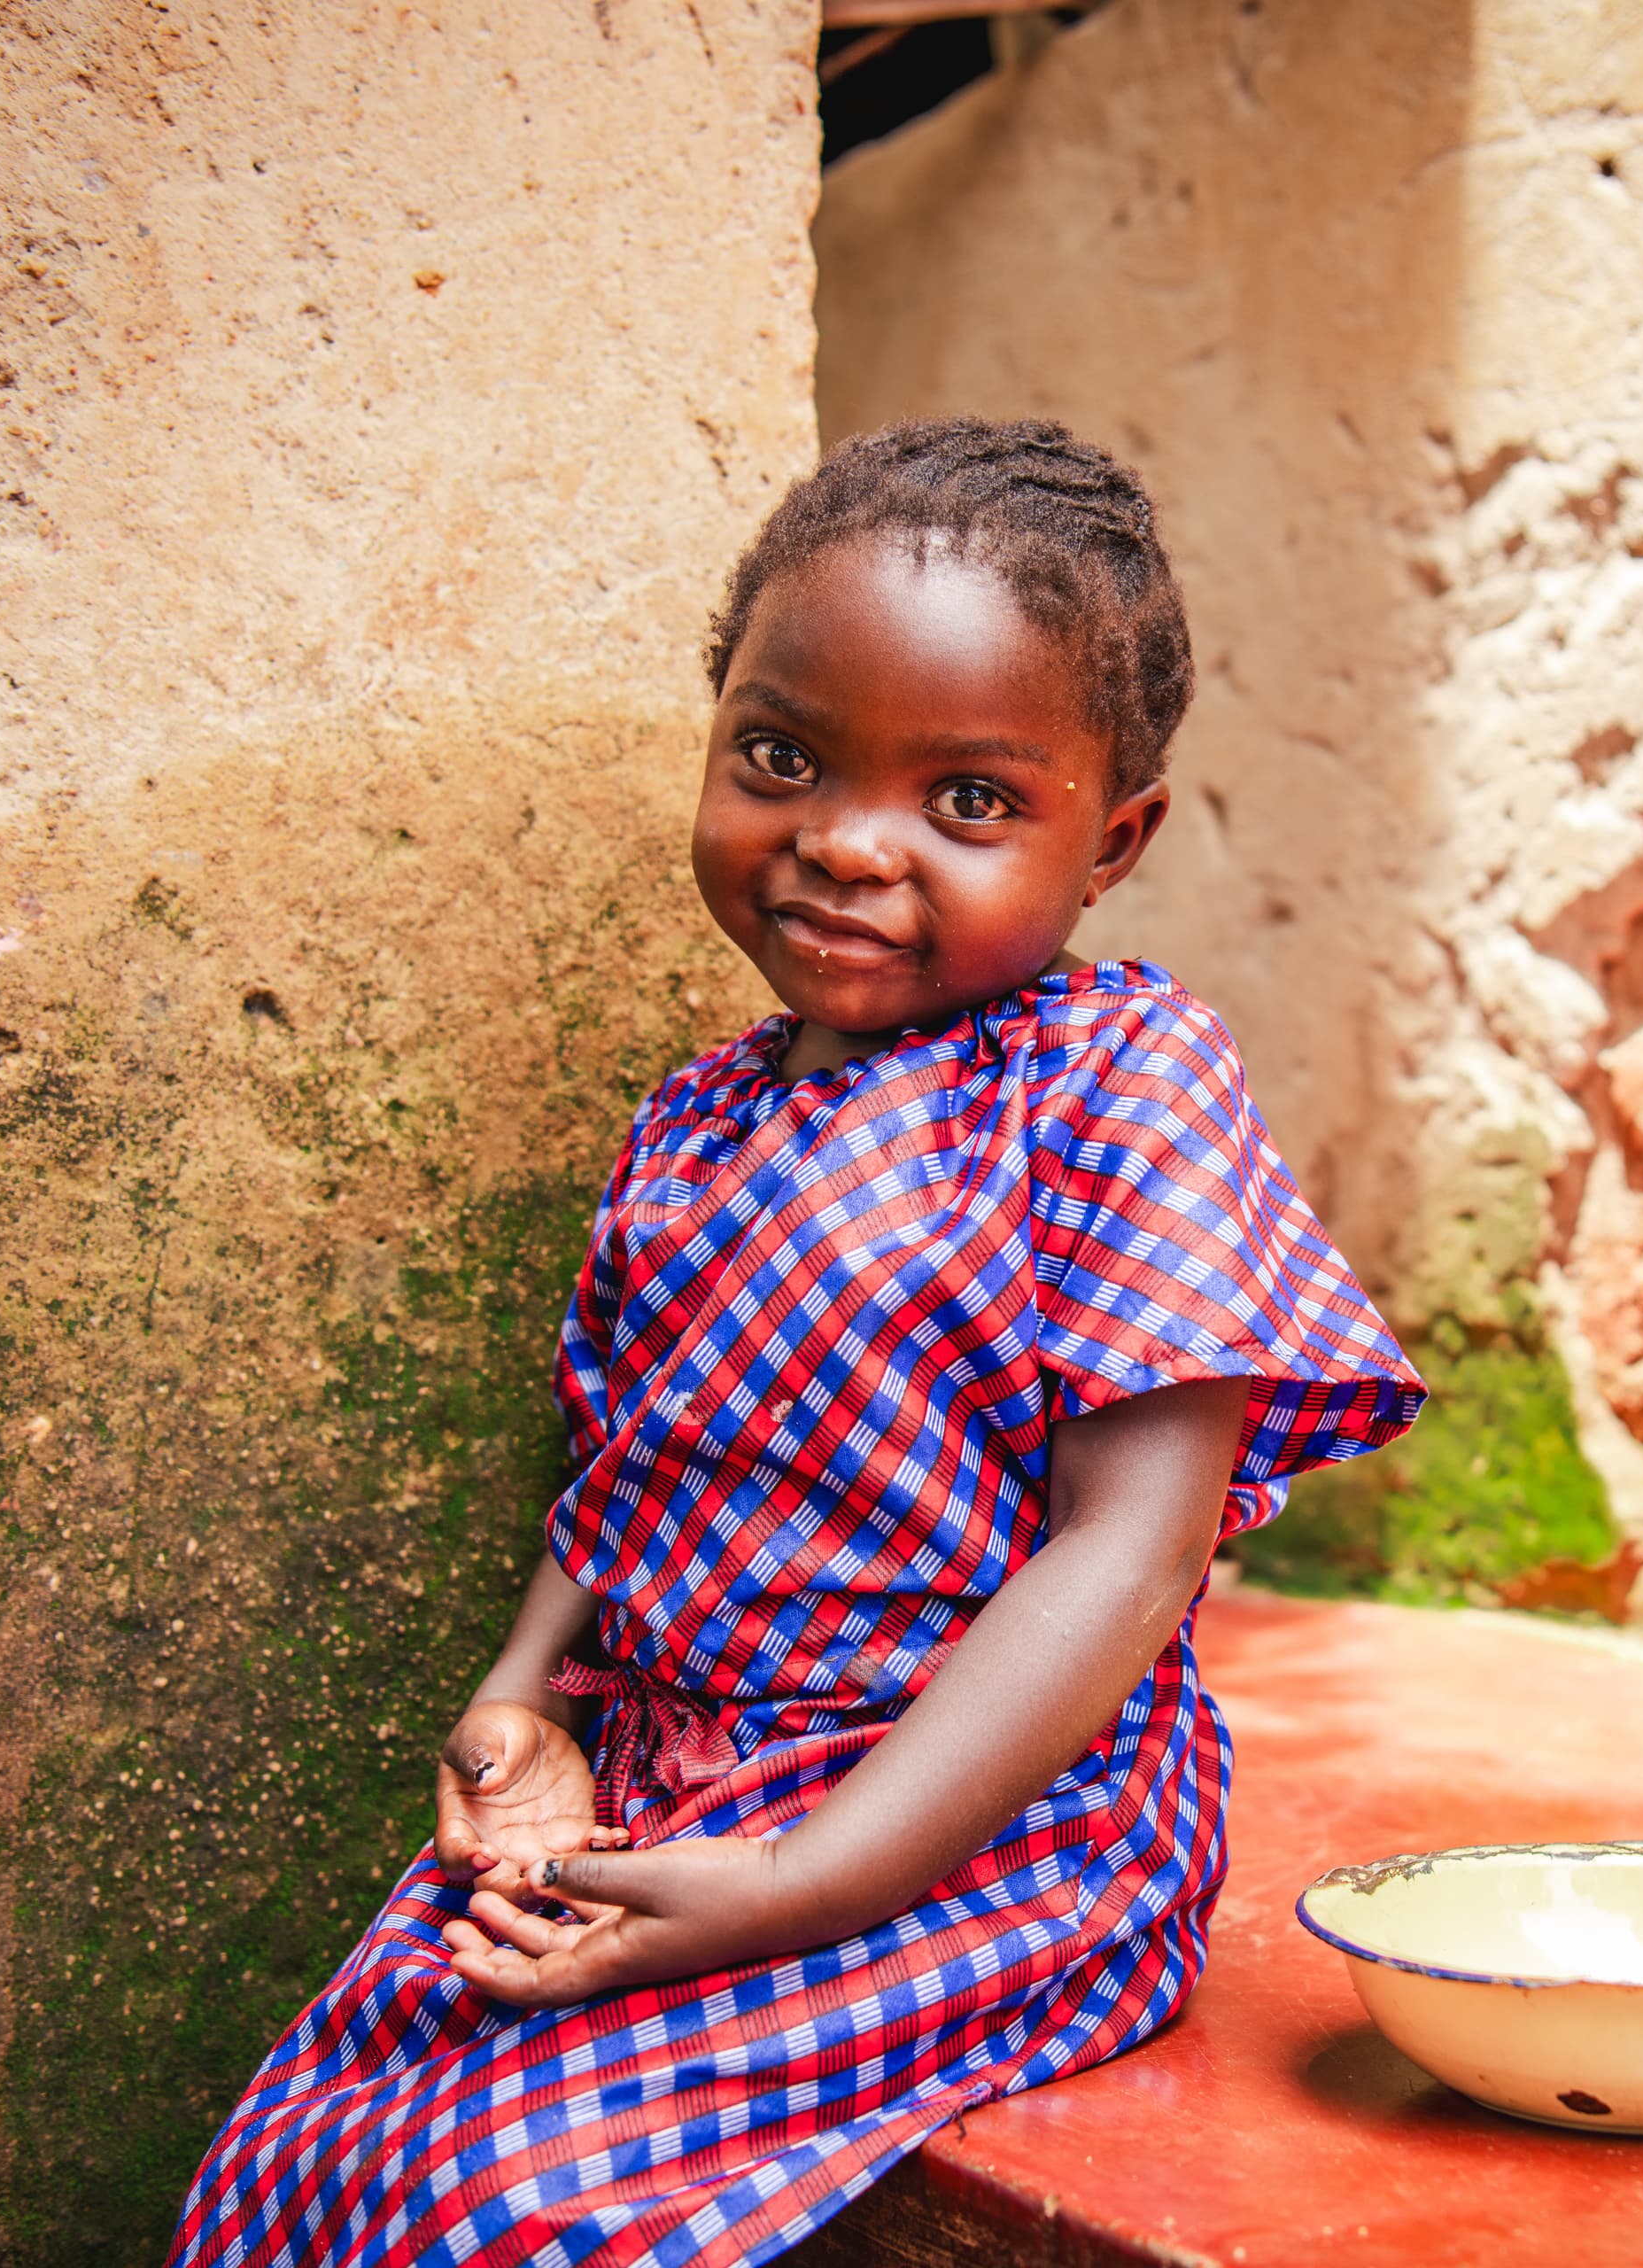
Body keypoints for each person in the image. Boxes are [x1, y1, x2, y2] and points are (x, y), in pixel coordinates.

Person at [167, 418, 1423, 2265]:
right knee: (305, 2146)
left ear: (1113, 842)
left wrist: (809, 1875)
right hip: (680, 1777)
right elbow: (621, 1476)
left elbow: (1133, 1552)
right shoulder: (693, 1120)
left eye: (970, 801)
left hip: (991, 1826)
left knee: (507, 2203)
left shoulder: (1121, 1078)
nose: (845, 841)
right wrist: (527, 1694)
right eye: (782, 756)